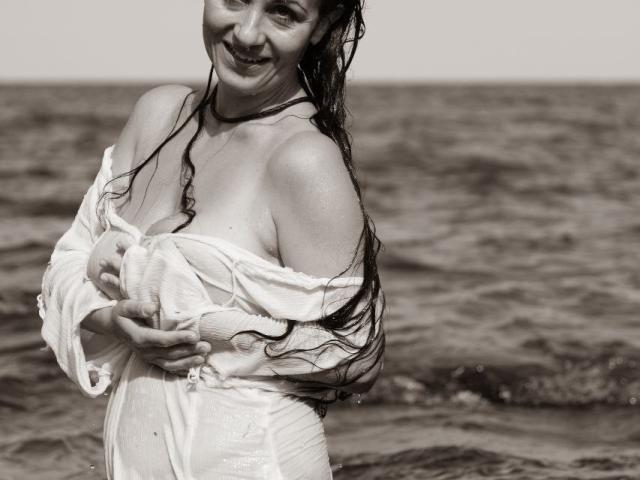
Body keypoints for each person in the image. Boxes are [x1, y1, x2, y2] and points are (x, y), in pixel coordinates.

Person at [38, 0, 385, 478]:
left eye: (283, 12)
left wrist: (200, 329)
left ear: (322, 25)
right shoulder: (158, 115)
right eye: (235, 0)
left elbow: (359, 355)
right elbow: (67, 261)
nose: (247, 33)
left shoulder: (303, 159)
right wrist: (115, 321)